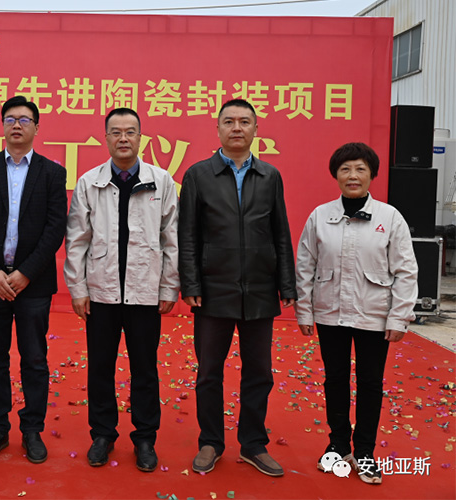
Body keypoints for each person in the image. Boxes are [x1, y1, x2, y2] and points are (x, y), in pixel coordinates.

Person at [178, 98, 297, 477]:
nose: (236, 128)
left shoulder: (270, 176)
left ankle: (253, 444)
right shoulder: (198, 175)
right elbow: (187, 235)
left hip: (260, 290)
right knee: (209, 372)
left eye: (244, 122)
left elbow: (280, 232)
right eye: (229, 121)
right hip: (213, 289)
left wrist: (287, 284)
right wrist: (190, 282)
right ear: (217, 129)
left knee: (259, 372)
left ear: (256, 129)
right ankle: (210, 441)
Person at [295, 142, 418, 485]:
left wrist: (399, 317)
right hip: (330, 313)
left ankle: (364, 451)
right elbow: (305, 265)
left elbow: (406, 270)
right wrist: (304, 311)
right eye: (345, 169)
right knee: (334, 378)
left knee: (370, 382)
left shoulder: (389, 218)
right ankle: (337, 444)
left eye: (360, 169)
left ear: (371, 175)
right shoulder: (320, 216)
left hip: (373, 314)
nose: (353, 176)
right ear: (335, 175)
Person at [64, 108, 179, 472]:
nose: (123, 138)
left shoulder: (161, 181)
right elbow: (77, 240)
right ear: (106, 138)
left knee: (145, 368)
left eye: (130, 131)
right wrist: (78, 288)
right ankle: (102, 434)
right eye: (116, 132)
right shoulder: (89, 182)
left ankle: (145, 438)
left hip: (145, 291)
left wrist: (169, 286)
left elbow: (171, 238)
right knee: (100, 366)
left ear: (140, 137)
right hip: (101, 292)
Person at [0, 95, 67, 464]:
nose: (17, 125)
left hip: (33, 285)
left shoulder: (52, 173)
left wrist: (25, 273)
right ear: (2, 126)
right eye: (10, 119)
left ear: (36, 127)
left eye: (25, 119)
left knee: (35, 359)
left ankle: (32, 429)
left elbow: (55, 228)